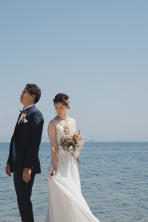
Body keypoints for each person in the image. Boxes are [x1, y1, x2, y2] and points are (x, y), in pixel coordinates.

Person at [45, 93, 100, 222]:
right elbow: (53, 147)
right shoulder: (52, 124)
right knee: (64, 197)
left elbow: (73, 140)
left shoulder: (73, 122)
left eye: (61, 107)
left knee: (75, 194)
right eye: (56, 107)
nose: (58, 110)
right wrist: (54, 167)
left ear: (67, 106)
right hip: (59, 163)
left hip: (71, 163)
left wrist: (76, 152)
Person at [6, 84, 44, 222]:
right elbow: (15, 139)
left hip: (26, 167)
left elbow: (35, 143)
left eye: (24, 92)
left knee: (24, 200)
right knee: (21, 201)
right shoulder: (23, 113)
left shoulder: (35, 114)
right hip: (18, 164)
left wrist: (28, 166)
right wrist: (9, 161)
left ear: (32, 97)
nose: (21, 94)